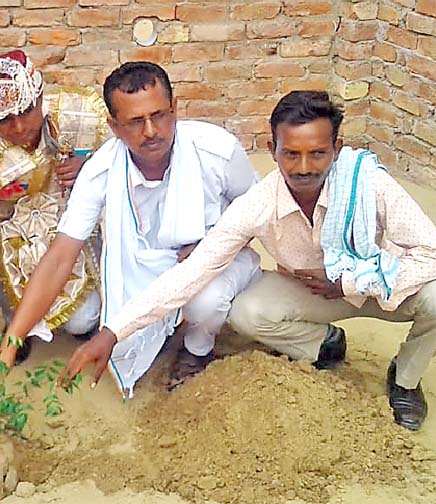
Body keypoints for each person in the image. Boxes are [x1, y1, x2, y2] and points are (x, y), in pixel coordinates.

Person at [62, 90, 436, 430]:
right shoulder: (259, 204)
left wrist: (353, 280)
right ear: (273, 150)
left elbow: (431, 253)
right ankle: (324, 343)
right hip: (314, 296)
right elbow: (193, 272)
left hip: (381, 285)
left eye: (317, 153)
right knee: (246, 311)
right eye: (291, 154)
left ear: (336, 149)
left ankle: (404, 380)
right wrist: (113, 333)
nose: (304, 167)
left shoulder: (369, 183)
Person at [1, 62, 260, 395]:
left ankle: (197, 350)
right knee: (116, 338)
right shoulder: (101, 170)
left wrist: (213, 247)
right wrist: (11, 343)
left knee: (204, 300)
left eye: (159, 115)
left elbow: (256, 212)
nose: (151, 131)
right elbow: (59, 257)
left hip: (222, 259)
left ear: (175, 108)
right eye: (136, 122)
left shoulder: (217, 150)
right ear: (114, 126)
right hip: (145, 268)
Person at [0, 50, 104, 361]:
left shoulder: (79, 115)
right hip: (14, 241)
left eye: (26, 110)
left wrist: (90, 166)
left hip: (69, 236)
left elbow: (127, 159)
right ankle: (16, 324)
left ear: (40, 97)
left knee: (83, 321)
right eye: (4, 119)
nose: (20, 127)